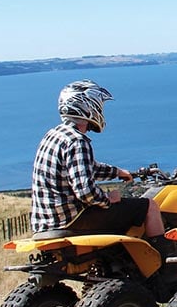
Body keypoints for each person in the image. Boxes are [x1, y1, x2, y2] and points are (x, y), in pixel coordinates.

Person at [31, 80, 166, 245]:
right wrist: (108, 199)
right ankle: (166, 266)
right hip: (72, 220)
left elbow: (83, 168)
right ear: (88, 105)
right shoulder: (77, 141)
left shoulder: (53, 135)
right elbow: (85, 192)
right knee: (149, 206)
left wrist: (117, 172)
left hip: (46, 222)